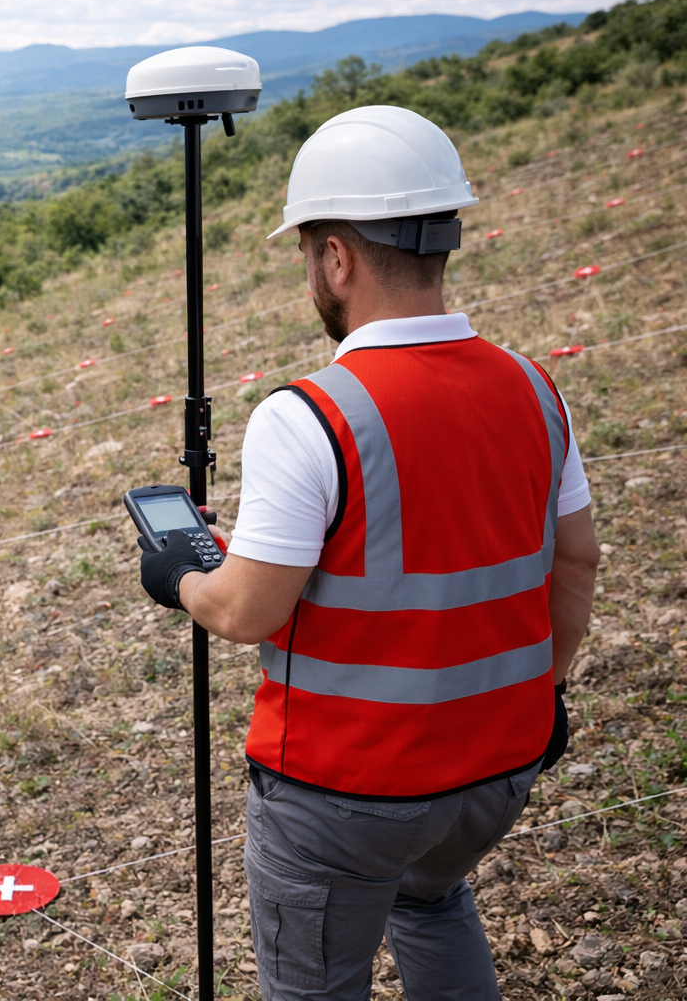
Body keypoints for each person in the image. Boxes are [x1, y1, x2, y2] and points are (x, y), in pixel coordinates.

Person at [137, 105, 601, 1000]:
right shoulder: (535, 388)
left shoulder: (310, 414)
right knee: (430, 902)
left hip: (342, 793)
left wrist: (181, 575)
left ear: (337, 256)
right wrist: (541, 696)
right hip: (497, 768)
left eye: (309, 250)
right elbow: (576, 560)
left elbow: (246, 611)